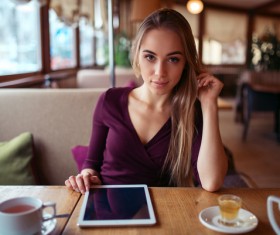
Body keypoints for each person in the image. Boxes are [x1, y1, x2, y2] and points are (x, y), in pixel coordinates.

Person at [65, 8, 228, 193]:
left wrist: (209, 104)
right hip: (108, 211)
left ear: (185, 64)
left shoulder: (192, 111)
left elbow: (212, 182)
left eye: (173, 59)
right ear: (137, 56)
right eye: (150, 57)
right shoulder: (109, 101)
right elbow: (92, 163)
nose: (160, 72)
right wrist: (86, 175)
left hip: (164, 216)